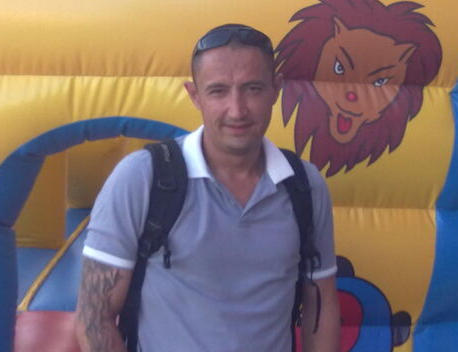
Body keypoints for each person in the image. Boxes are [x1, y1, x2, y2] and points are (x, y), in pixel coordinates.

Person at [75, 24, 340, 352]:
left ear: (276, 89)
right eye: (218, 91)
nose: (237, 110)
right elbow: (93, 316)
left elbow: (321, 306)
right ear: (194, 95)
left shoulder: (304, 185)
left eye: (253, 89)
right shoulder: (141, 177)